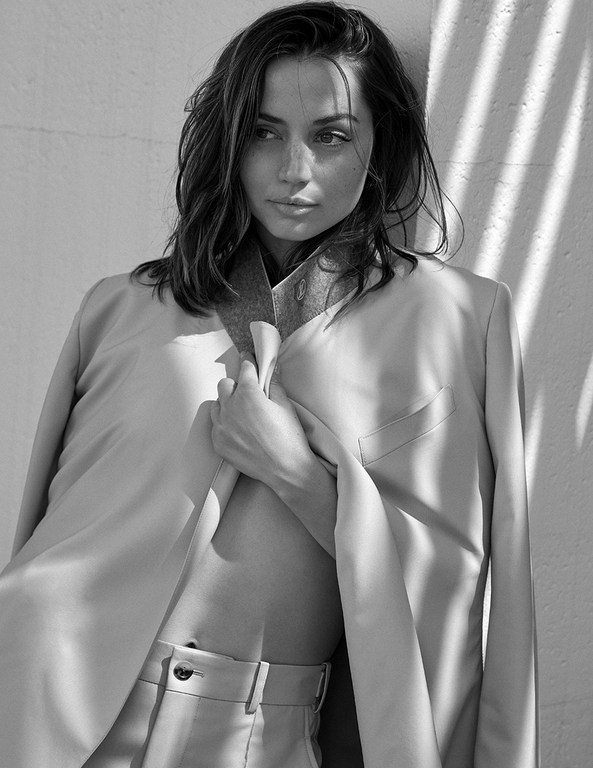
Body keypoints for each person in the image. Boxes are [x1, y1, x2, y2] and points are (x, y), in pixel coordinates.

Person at [0, 2, 538, 767]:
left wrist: (299, 477)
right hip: (64, 726)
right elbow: (54, 534)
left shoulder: (458, 321)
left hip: (267, 737)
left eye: (331, 136)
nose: (294, 171)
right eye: (263, 132)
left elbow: (463, 601)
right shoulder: (119, 309)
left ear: (379, 145)